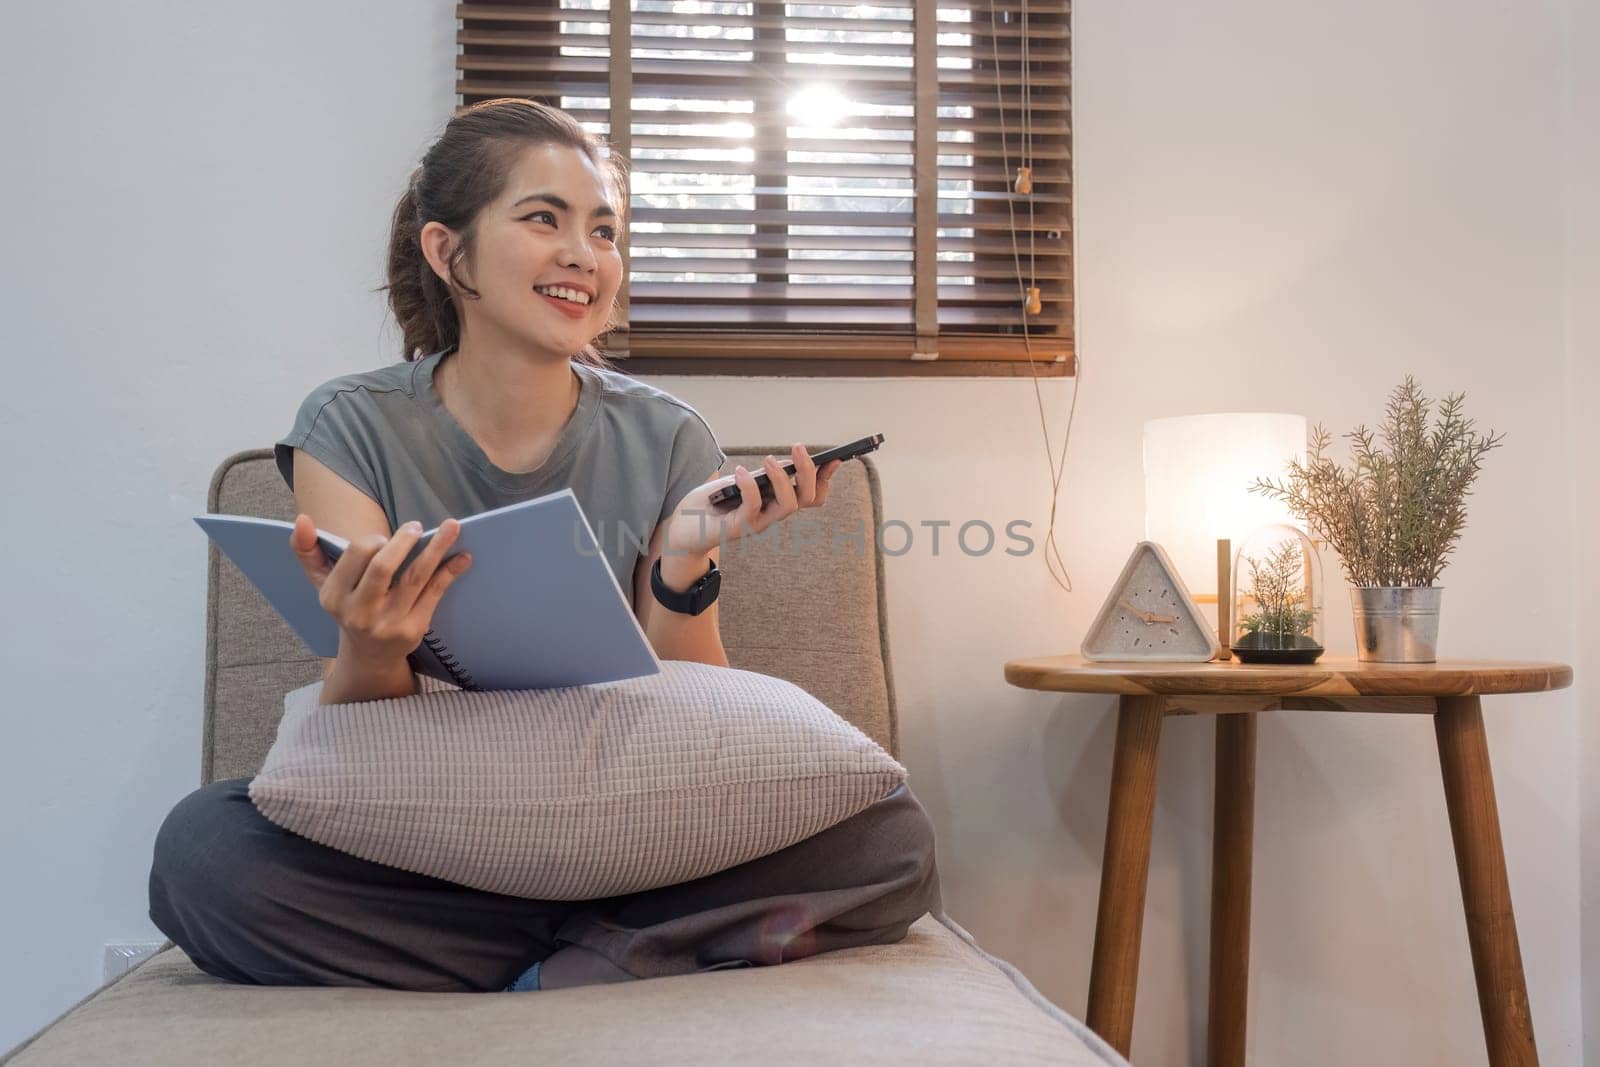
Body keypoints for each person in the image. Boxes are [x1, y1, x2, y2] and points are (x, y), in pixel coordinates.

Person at [147, 98, 941, 994]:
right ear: (448, 252)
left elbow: (697, 705)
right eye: (544, 220)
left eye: (604, 232)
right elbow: (366, 734)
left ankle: (545, 964)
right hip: (434, 848)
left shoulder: (669, 437)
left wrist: (684, 558)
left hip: (633, 845)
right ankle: (605, 958)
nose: (584, 256)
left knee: (892, 841)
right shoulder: (350, 426)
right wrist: (372, 642)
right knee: (203, 851)